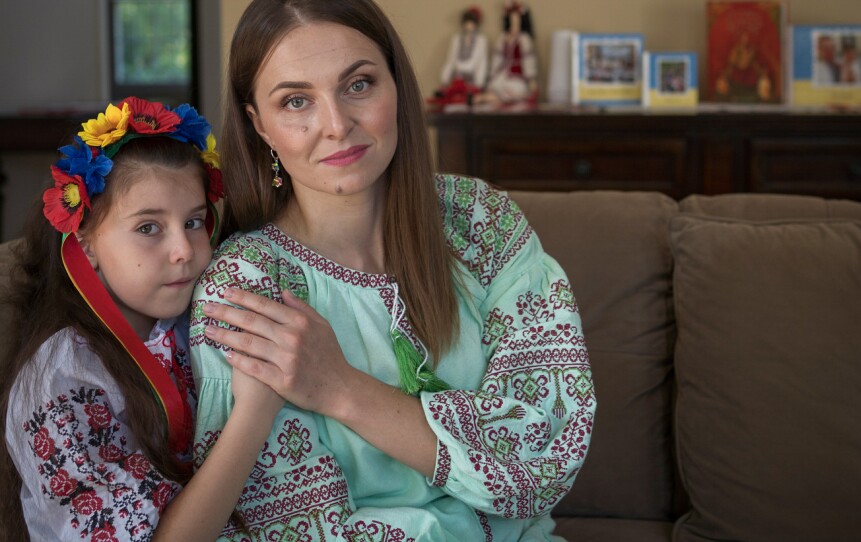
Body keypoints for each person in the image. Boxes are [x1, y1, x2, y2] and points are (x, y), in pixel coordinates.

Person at [191, 0, 595, 540]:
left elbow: (541, 461)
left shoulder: (483, 223)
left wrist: (341, 389)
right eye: (295, 101)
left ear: (396, 85)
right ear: (258, 124)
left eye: (358, 85)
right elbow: (287, 528)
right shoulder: (246, 290)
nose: (336, 126)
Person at [0, 96, 284, 541]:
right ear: (87, 243)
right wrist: (254, 413)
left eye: (193, 221)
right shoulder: (64, 377)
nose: (184, 250)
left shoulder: (202, 319)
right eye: (148, 227)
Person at [477, 1, 538, 105]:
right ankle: (485, 98)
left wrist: (531, 80)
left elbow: (528, 62)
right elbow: (497, 60)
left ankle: (486, 98)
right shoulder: (503, 38)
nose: (514, 24)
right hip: (503, 75)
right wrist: (493, 75)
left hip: (517, 77)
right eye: (512, 21)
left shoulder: (524, 39)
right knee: (496, 89)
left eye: (517, 21)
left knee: (514, 94)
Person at [432, 6, 489, 106]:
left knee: (470, 96)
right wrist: (444, 79)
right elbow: (450, 60)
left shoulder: (481, 41)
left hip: (471, 80)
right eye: (467, 22)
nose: (469, 25)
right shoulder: (457, 40)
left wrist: (479, 83)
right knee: (451, 95)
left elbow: (482, 63)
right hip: (458, 78)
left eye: (471, 23)